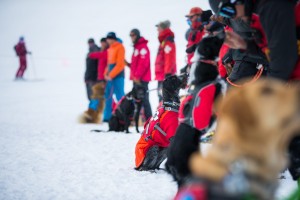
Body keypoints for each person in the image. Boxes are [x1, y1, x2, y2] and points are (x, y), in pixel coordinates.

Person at [127, 29, 152, 121]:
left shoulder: (142, 47)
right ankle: (140, 120)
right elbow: (136, 64)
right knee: (137, 101)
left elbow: (143, 64)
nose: (131, 37)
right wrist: (128, 64)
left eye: (133, 35)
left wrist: (137, 76)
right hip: (136, 79)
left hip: (142, 79)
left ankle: (149, 120)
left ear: (137, 35)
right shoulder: (137, 47)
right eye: (130, 35)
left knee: (144, 100)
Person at [103, 32, 125, 122]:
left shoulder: (120, 47)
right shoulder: (110, 48)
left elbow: (120, 64)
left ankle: (124, 116)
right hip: (110, 77)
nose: (107, 41)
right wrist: (106, 74)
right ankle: (107, 117)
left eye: (108, 39)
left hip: (118, 76)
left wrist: (111, 75)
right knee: (108, 96)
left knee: (120, 96)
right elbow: (109, 64)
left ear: (112, 39)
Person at [155, 20, 177, 102]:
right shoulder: (164, 41)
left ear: (163, 29)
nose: (157, 30)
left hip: (165, 76)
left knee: (166, 99)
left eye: (159, 28)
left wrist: (167, 74)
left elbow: (169, 58)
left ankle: (167, 114)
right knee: (162, 98)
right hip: (161, 75)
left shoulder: (168, 41)